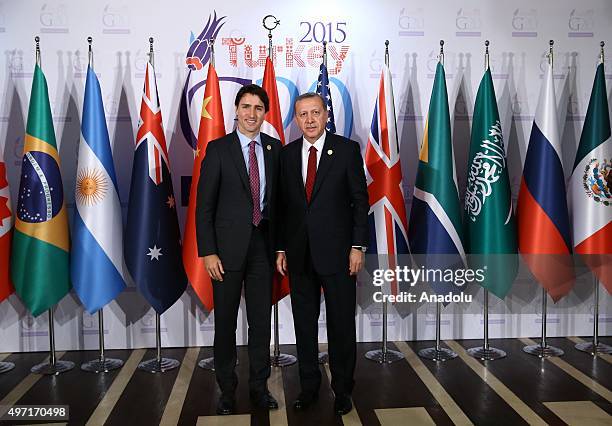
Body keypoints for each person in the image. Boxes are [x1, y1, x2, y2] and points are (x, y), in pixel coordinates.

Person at [276, 92, 369, 416]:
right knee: (304, 325)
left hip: (340, 256)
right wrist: (281, 248)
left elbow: (360, 201)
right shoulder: (286, 156)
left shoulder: (346, 150)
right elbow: (282, 207)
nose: (310, 120)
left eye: (316, 113)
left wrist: (358, 247)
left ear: (326, 115)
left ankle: (343, 390)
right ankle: (308, 387)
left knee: (342, 324)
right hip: (300, 256)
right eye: (303, 114)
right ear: (297, 119)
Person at [196, 84, 281, 415]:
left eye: (258, 108)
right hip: (225, 253)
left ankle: (259, 388)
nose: (251, 113)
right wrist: (208, 252)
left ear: (265, 113)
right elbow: (204, 208)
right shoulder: (217, 150)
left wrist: (281, 248)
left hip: (263, 249)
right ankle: (227, 391)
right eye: (246, 106)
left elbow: (281, 205)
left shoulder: (274, 149)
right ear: (235, 110)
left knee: (261, 323)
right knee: (226, 324)